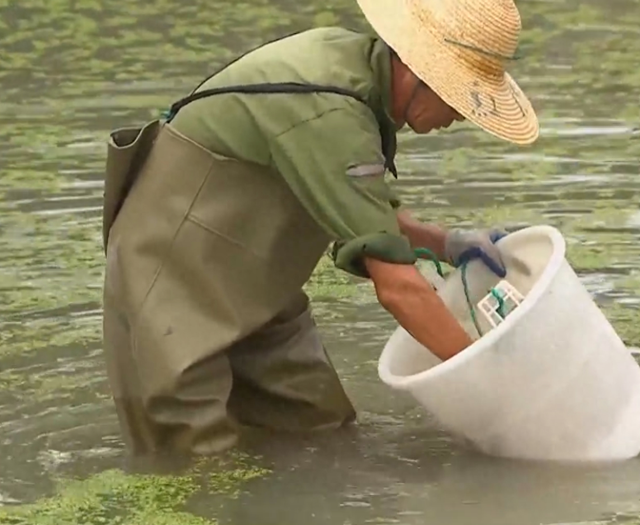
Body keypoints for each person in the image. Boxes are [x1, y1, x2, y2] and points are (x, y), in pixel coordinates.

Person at [101, 0, 539, 456]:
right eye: (460, 95)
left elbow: (360, 210)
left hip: (256, 281)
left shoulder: (356, 76)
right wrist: (490, 380)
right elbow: (400, 290)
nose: (462, 115)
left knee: (322, 434)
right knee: (197, 467)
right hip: (172, 282)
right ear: (413, 67)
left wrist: (445, 244)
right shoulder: (331, 111)